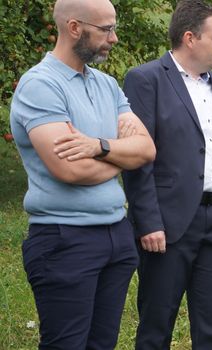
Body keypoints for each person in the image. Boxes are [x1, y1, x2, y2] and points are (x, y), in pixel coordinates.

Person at [8, 0, 156, 347]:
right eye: (106, 29)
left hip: (116, 236)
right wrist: (122, 155)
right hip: (65, 241)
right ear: (74, 28)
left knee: (102, 344)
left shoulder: (106, 85)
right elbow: (69, 169)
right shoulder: (40, 86)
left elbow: (147, 149)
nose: (114, 38)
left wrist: (99, 146)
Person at [122, 1, 212, 348]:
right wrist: (148, 221)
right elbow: (137, 158)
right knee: (156, 325)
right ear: (190, 38)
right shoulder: (145, 79)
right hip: (170, 223)